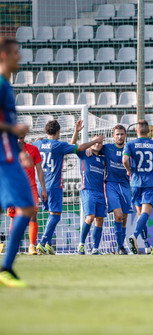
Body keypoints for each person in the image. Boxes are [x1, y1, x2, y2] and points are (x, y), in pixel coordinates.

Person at [34, 120, 103, 255]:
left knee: (50, 214)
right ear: (59, 132)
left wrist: (77, 132)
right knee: (55, 216)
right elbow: (79, 147)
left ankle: (48, 244)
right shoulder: (58, 145)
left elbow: (36, 141)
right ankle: (42, 243)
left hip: (39, 185)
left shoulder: (38, 143)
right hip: (53, 185)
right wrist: (95, 141)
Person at [0, 37, 35, 287]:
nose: (19, 56)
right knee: (26, 207)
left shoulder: (7, 86)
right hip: (4, 158)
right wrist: (14, 128)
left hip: (10, 154)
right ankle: (6, 268)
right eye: (15, 52)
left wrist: (20, 148)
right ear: (3, 56)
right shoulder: (1, 85)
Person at [123, 120, 153, 254]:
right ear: (149, 131)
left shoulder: (130, 144)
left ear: (136, 131)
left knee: (140, 214)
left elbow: (124, 160)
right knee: (145, 214)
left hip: (135, 182)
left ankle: (147, 245)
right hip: (150, 183)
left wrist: (129, 170)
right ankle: (134, 235)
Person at [6, 134, 47, 255]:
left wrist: (43, 188)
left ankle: (32, 246)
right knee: (14, 217)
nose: (19, 140)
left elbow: (39, 170)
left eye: (21, 138)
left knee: (33, 215)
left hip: (31, 188)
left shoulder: (33, 149)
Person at [70, 120, 106, 255]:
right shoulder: (85, 153)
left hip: (100, 192)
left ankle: (95, 248)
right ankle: (81, 245)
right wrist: (76, 132)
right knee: (90, 217)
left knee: (99, 220)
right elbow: (72, 146)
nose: (97, 144)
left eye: (99, 142)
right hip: (88, 190)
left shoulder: (104, 159)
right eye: (95, 141)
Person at [102, 125, 132, 255]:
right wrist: (89, 150)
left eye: (122, 134)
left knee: (124, 218)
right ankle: (120, 247)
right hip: (111, 185)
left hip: (125, 185)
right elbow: (95, 148)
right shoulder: (107, 148)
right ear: (113, 136)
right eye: (117, 134)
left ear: (125, 135)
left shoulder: (129, 148)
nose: (119, 136)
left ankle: (121, 246)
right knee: (118, 215)